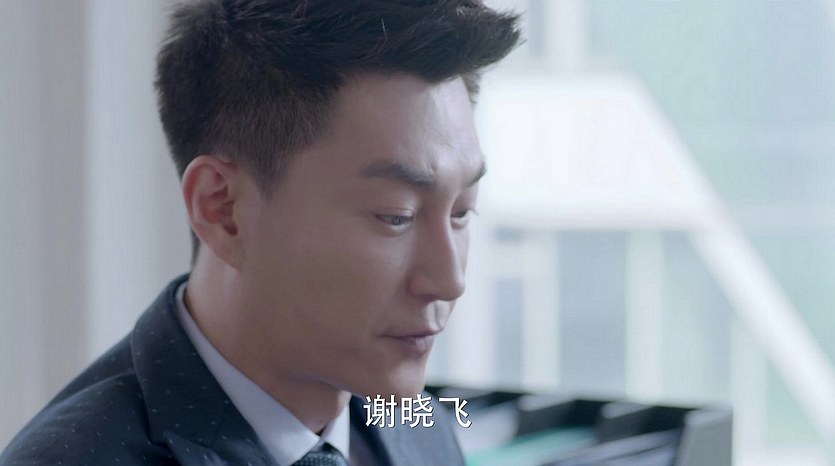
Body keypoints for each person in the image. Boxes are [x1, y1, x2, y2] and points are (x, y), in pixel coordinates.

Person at [0, 0, 520, 464]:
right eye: (395, 216)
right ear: (223, 209)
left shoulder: (414, 420)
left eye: (461, 211)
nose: (449, 281)